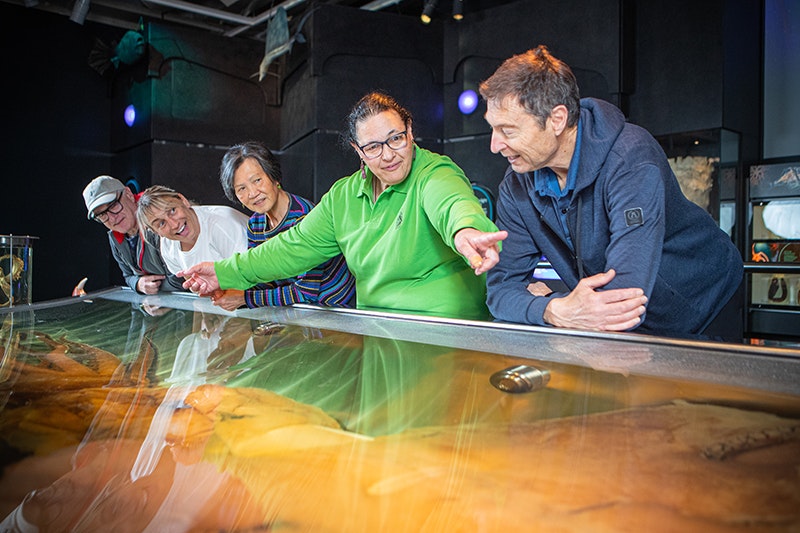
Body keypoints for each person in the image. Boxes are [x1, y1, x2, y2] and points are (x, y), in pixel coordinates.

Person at [480, 45, 744, 341]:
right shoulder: (516, 184)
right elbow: (500, 292)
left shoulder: (631, 158)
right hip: (628, 320)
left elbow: (621, 300)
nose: (495, 145)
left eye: (508, 131)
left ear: (557, 119)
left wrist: (551, 306)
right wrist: (552, 308)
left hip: (704, 300)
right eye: (493, 129)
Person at [179, 92, 507, 320]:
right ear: (358, 150)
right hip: (377, 332)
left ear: (410, 131)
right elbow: (290, 249)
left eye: (397, 138)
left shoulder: (434, 172)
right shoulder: (343, 197)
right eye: (374, 146)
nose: (389, 154)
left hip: (444, 333)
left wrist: (466, 230)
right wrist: (224, 272)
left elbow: (452, 204)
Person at [212, 141, 356, 311]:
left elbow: (306, 293)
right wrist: (230, 289)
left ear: (274, 177)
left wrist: (245, 298)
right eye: (241, 188)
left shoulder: (304, 216)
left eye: (257, 180)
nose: (252, 193)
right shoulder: (255, 225)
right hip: (299, 314)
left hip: (335, 312)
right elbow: (264, 281)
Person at [82, 175, 184, 295]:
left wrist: (154, 291)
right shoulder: (114, 236)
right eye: (102, 215)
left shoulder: (158, 220)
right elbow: (128, 275)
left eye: (113, 205)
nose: (112, 218)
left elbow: (181, 277)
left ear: (128, 194)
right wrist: (138, 284)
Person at [135, 185, 249, 277]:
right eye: (161, 223)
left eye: (172, 210)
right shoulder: (167, 246)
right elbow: (192, 282)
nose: (174, 224)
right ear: (156, 232)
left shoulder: (222, 223)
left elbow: (253, 275)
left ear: (183, 200)